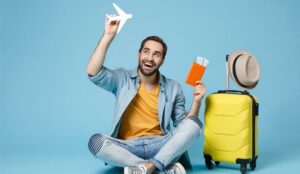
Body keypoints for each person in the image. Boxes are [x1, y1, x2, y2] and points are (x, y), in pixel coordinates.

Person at [86, 17, 206, 174]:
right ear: (139, 54)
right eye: (146, 51)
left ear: (162, 60)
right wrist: (108, 35)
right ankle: (157, 167)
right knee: (95, 142)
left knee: (194, 124)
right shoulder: (122, 78)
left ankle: (145, 168)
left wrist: (197, 101)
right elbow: (93, 72)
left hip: (161, 145)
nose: (150, 58)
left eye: (156, 54)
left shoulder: (173, 87)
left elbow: (184, 125)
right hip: (128, 148)